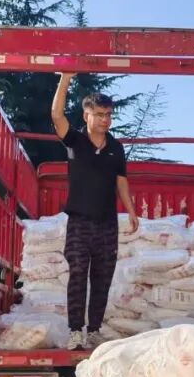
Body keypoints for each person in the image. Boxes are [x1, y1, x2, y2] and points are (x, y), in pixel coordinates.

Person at [51, 72, 138, 350]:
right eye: (99, 114)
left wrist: (131, 211)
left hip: (107, 224)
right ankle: (76, 331)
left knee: (102, 277)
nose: (105, 119)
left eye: (108, 114)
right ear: (86, 114)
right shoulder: (74, 140)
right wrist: (65, 79)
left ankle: (95, 330)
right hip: (79, 221)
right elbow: (56, 115)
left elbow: (121, 181)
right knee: (78, 273)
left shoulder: (116, 148)